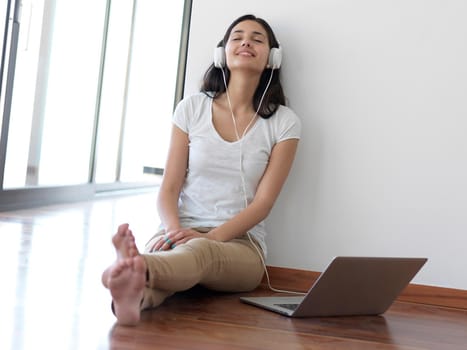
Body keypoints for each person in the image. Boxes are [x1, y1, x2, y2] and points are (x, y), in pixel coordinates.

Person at [101, 14, 301, 326]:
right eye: (237, 36)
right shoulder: (191, 108)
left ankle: (137, 265)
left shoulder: (284, 122)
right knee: (173, 272)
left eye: (257, 39)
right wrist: (171, 231)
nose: (245, 41)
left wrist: (211, 238)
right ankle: (133, 300)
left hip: (241, 245)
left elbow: (263, 204)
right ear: (222, 52)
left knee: (199, 253)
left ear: (273, 58)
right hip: (179, 229)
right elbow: (169, 187)